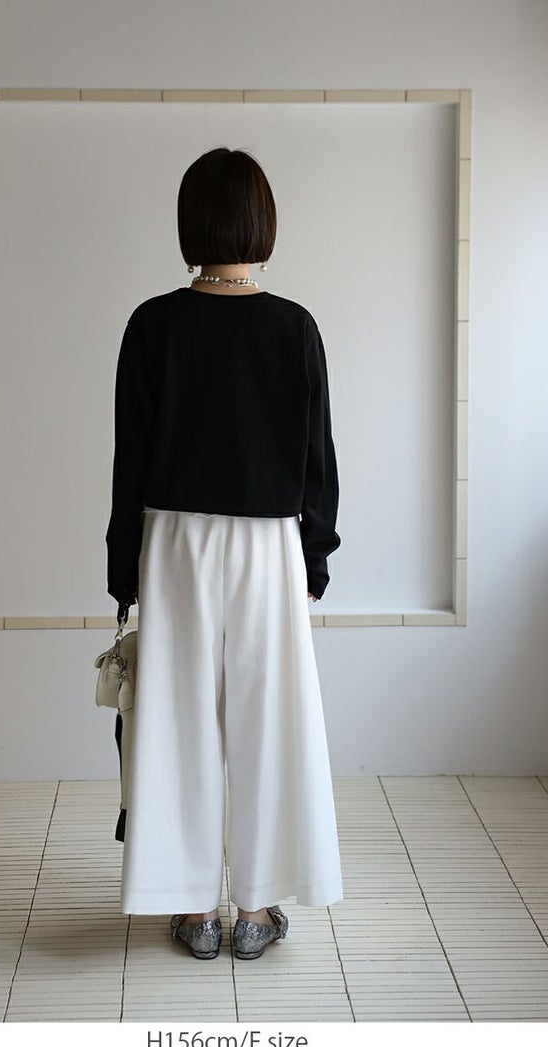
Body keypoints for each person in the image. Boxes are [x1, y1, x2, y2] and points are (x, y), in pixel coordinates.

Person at [105, 146, 343, 961]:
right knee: (270, 721)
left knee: (177, 721)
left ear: (191, 222)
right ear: (263, 223)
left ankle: (192, 906)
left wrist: (123, 569)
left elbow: (130, 460)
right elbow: (317, 462)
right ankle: (255, 908)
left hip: (174, 540)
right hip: (270, 543)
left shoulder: (153, 324)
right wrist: (314, 559)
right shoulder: (294, 327)